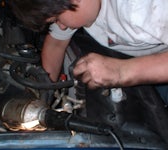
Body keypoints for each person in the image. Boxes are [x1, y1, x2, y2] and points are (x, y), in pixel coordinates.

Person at [9, 0, 168, 104]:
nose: (61, 26)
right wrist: (45, 93)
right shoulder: (77, 6)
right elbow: (56, 44)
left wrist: (121, 71)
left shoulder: (143, 7)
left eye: (57, 19)